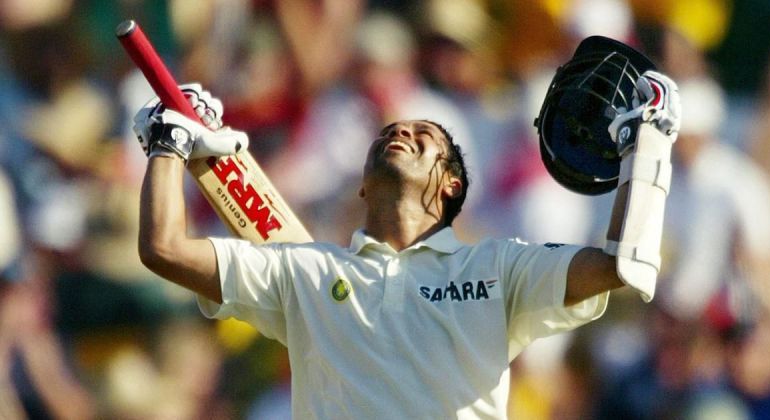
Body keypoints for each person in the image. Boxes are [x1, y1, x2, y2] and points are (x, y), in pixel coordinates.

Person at [132, 70, 680, 418]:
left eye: (424, 137)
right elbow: (165, 248)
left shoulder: (499, 267)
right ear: (364, 184)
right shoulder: (302, 272)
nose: (401, 133)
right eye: (389, 134)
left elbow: (622, 265)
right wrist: (168, 145)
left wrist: (648, 146)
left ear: (451, 186)